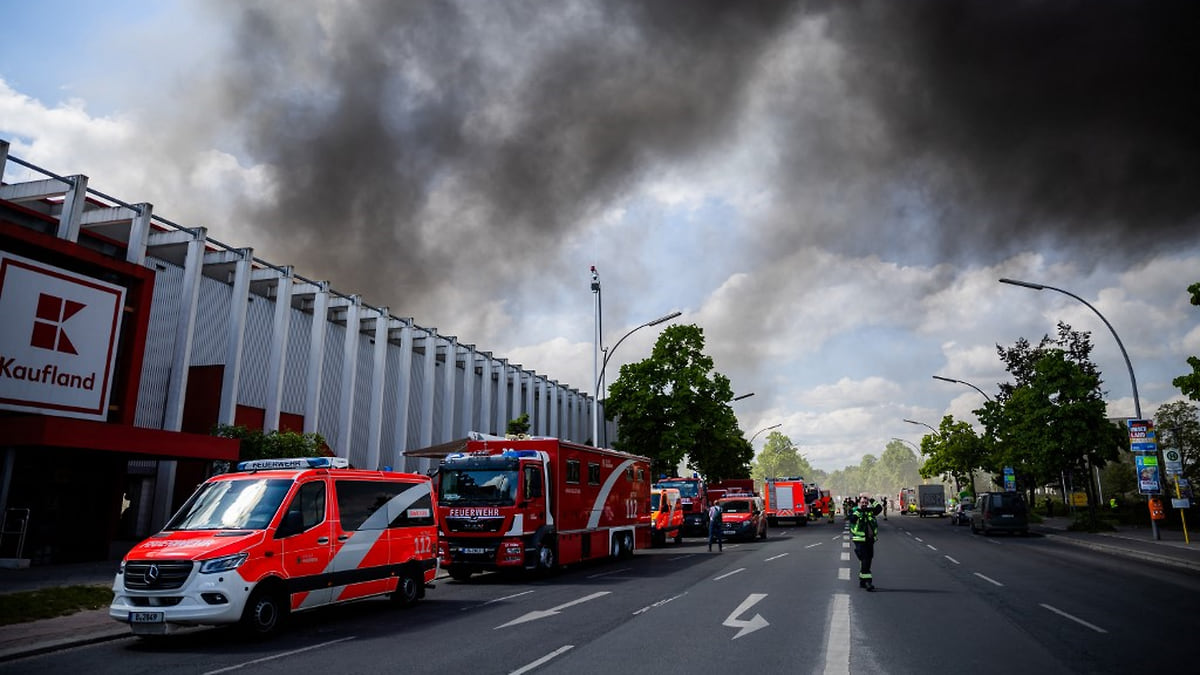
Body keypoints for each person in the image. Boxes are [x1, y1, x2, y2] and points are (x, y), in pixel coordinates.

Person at [848, 495, 882, 591]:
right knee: (865, 559)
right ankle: (868, 581)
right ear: (859, 503)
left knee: (868, 559)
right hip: (859, 540)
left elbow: (879, 508)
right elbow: (852, 519)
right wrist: (859, 510)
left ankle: (862, 580)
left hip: (870, 540)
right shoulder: (854, 510)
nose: (864, 504)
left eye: (866, 503)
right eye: (862, 502)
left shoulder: (870, 511)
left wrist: (871, 498)